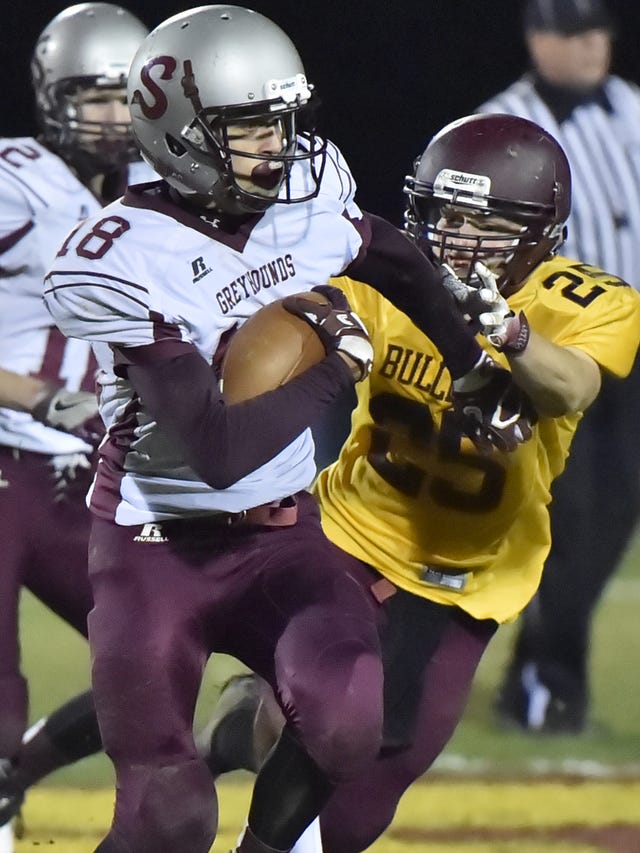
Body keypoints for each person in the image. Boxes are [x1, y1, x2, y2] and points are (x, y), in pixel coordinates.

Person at [41, 5, 535, 852]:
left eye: (279, 121)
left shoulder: (302, 192)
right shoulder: (121, 256)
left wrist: (471, 364)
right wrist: (335, 371)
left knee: (347, 725)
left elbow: (391, 255)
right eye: (247, 128)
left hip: (282, 535)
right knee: (168, 815)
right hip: (155, 545)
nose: (276, 145)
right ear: (180, 132)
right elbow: (220, 449)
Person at [197, 112, 640, 853]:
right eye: (445, 216)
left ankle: (243, 724)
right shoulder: (392, 276)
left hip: (467, 578)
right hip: (349, 534)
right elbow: (303, 327)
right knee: (329, 717)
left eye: (484, 224)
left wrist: (509, 333)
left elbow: (570, 388)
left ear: (538, 235)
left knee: (356, 816)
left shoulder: (588, 301)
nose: (456, 240)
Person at [0, 3, 150, 850]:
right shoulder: (13, 178)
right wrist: (35, 395)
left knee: (159, 659)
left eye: (128, 96)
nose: (115, 116)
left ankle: (14, 779)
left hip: (85, 473)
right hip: (5, 457)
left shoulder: (156, 197)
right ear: (52, 96)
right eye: (95, 97)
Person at [476, 0, 640, 733]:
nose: (592, 45)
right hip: (555, 355)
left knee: (608, 528)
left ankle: (532, 676)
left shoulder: (632, 109)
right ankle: (550, 685)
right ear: (538, 38)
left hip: (632, 359)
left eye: (599, 29)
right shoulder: (501, 128)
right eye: (575, 31)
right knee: (564, 526)